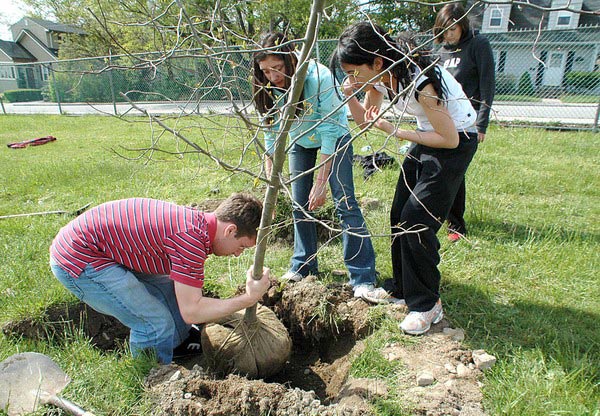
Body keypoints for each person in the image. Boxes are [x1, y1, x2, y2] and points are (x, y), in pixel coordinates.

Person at [331, 22, 478, 334]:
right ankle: (403, 288)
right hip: (428, 135)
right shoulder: (379, 79)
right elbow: (367, 123)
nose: (351, 78)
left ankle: (427, 305)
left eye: (354, 71)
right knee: (399, 213)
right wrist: (350, 96)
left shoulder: (421, 82)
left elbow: (449, 139)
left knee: (416, 220)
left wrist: (396, 131)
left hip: (456, 141)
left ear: (377, 62)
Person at [49, 193, 271, 364]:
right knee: (154, 323)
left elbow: (185, 301)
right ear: (230, 230)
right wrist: (247, 299)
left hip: (104, 246)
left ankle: (178, 344)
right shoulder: (191, 241)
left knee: (169, 291)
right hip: (80, 258)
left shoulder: (199, 225)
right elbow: (192, 311)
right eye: (241, 246)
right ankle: (150, 381)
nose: (238, 253)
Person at [252, 31, 389, 303]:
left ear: (291, 60)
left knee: (345, 203)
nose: (273, 76)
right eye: (266, 71)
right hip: (301, 140)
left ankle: (362, 278)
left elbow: (328, 129)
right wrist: (272, 175)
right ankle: (303, 265)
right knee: (298, 203)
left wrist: (320, 181)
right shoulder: (266, 85)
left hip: (334, 136)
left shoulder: (319, 77)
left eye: (278, 69)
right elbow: (271, 131)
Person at [433, 3, 496, 242]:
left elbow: (487, 85)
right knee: (444, 170)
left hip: (467, 121)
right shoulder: (441, 52)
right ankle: (443, 217)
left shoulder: (478, 45)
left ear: (462, 24)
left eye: (452, 28)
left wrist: (482, 124)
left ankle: (456, 226)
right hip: (443, 120)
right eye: (443, 30)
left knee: (454, 172)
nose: (448, 35)